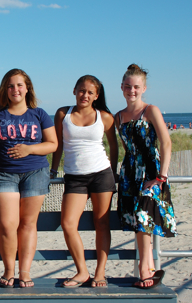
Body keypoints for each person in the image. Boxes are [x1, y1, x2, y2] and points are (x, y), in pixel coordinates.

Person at [0, 69, 57, 288]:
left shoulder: (39, 114)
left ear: (27, 88)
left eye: (20, 85)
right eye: (11, 86)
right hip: (4, 174)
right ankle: (9, 269)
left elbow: (53, 144)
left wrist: (29, 149)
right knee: (7, 225)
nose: (15, 90)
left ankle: (25, 272)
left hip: (35, 172)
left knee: (28, 224)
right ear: (5, 89)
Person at [51, 75, 118, 288]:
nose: (85, 95)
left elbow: (114, 147)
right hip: (74, 177)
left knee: (102, 223)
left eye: (90, 92)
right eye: (82, 90)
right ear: (74, 90)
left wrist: (114, 173)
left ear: (96, 96)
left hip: (101, 174)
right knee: (68, 223)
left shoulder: (105, 117)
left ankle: (100, 272)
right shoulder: (63, 114)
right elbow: (58, 144)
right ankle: (82, 271)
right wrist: (53, 169)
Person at [115, 64, 176, 289]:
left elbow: (166, 142)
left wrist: (161, 176)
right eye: (128, 86)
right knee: (139, 221)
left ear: (144, 88)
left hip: (151, 171)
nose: (132, 90)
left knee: (143, 218)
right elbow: (126, 147)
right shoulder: (119, 116)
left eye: (136, 87)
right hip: (130, 172)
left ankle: (144, 270)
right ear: (121, 87)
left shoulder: (151, 110)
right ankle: (149, 268)